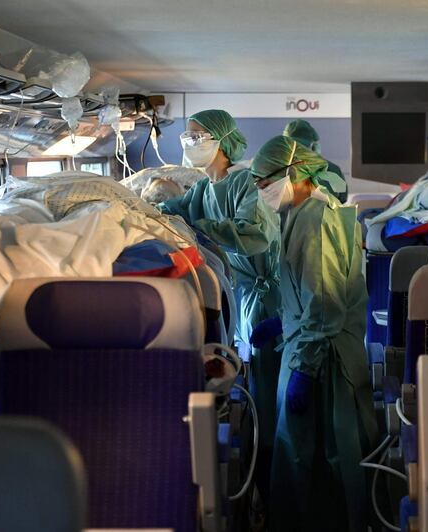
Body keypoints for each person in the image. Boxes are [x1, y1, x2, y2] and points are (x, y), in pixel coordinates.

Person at [251, 135, 377, 532]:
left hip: (323, 359)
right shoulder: (308, 212)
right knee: (309, 456)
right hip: (311, 342)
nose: (260, 189)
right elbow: (310, 292)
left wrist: (304, 368)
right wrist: (283, 322)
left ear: (293, 173)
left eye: (263, 180)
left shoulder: (316, 221)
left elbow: (324, 305)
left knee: (321, 459)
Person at [157, 110, 282, 503]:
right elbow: (178, 208)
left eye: (198, 136)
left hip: (267, 296)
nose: (190, 143)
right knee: (253, 376)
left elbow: (257, 236)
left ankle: (272, 481)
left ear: (222, 140)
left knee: (268, 388)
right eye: (187, 136)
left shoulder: (244, 181)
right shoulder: (205, 188)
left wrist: (204, 229)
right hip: (243, 292)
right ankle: (260, 475)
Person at [282, 119, 348, 203]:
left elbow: (341, 200)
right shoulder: (276, 171)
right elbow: (341, 200)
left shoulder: (332, 170)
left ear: (314, 147)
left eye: (301, 147)